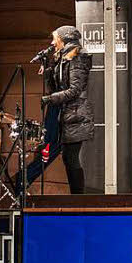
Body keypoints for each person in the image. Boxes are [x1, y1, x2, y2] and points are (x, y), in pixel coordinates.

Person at [40, 25, 93, 194]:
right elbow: (56, 86)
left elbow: (75, 90)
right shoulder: (63, 58)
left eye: (55, 38)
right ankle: (76, 197)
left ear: (64, 39)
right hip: (67, 114)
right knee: (68, 158)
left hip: (76, 114)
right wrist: (47, 66)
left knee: (70, 157)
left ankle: (78, 199)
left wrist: (50, 99)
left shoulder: (77, 56)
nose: (52, 42)